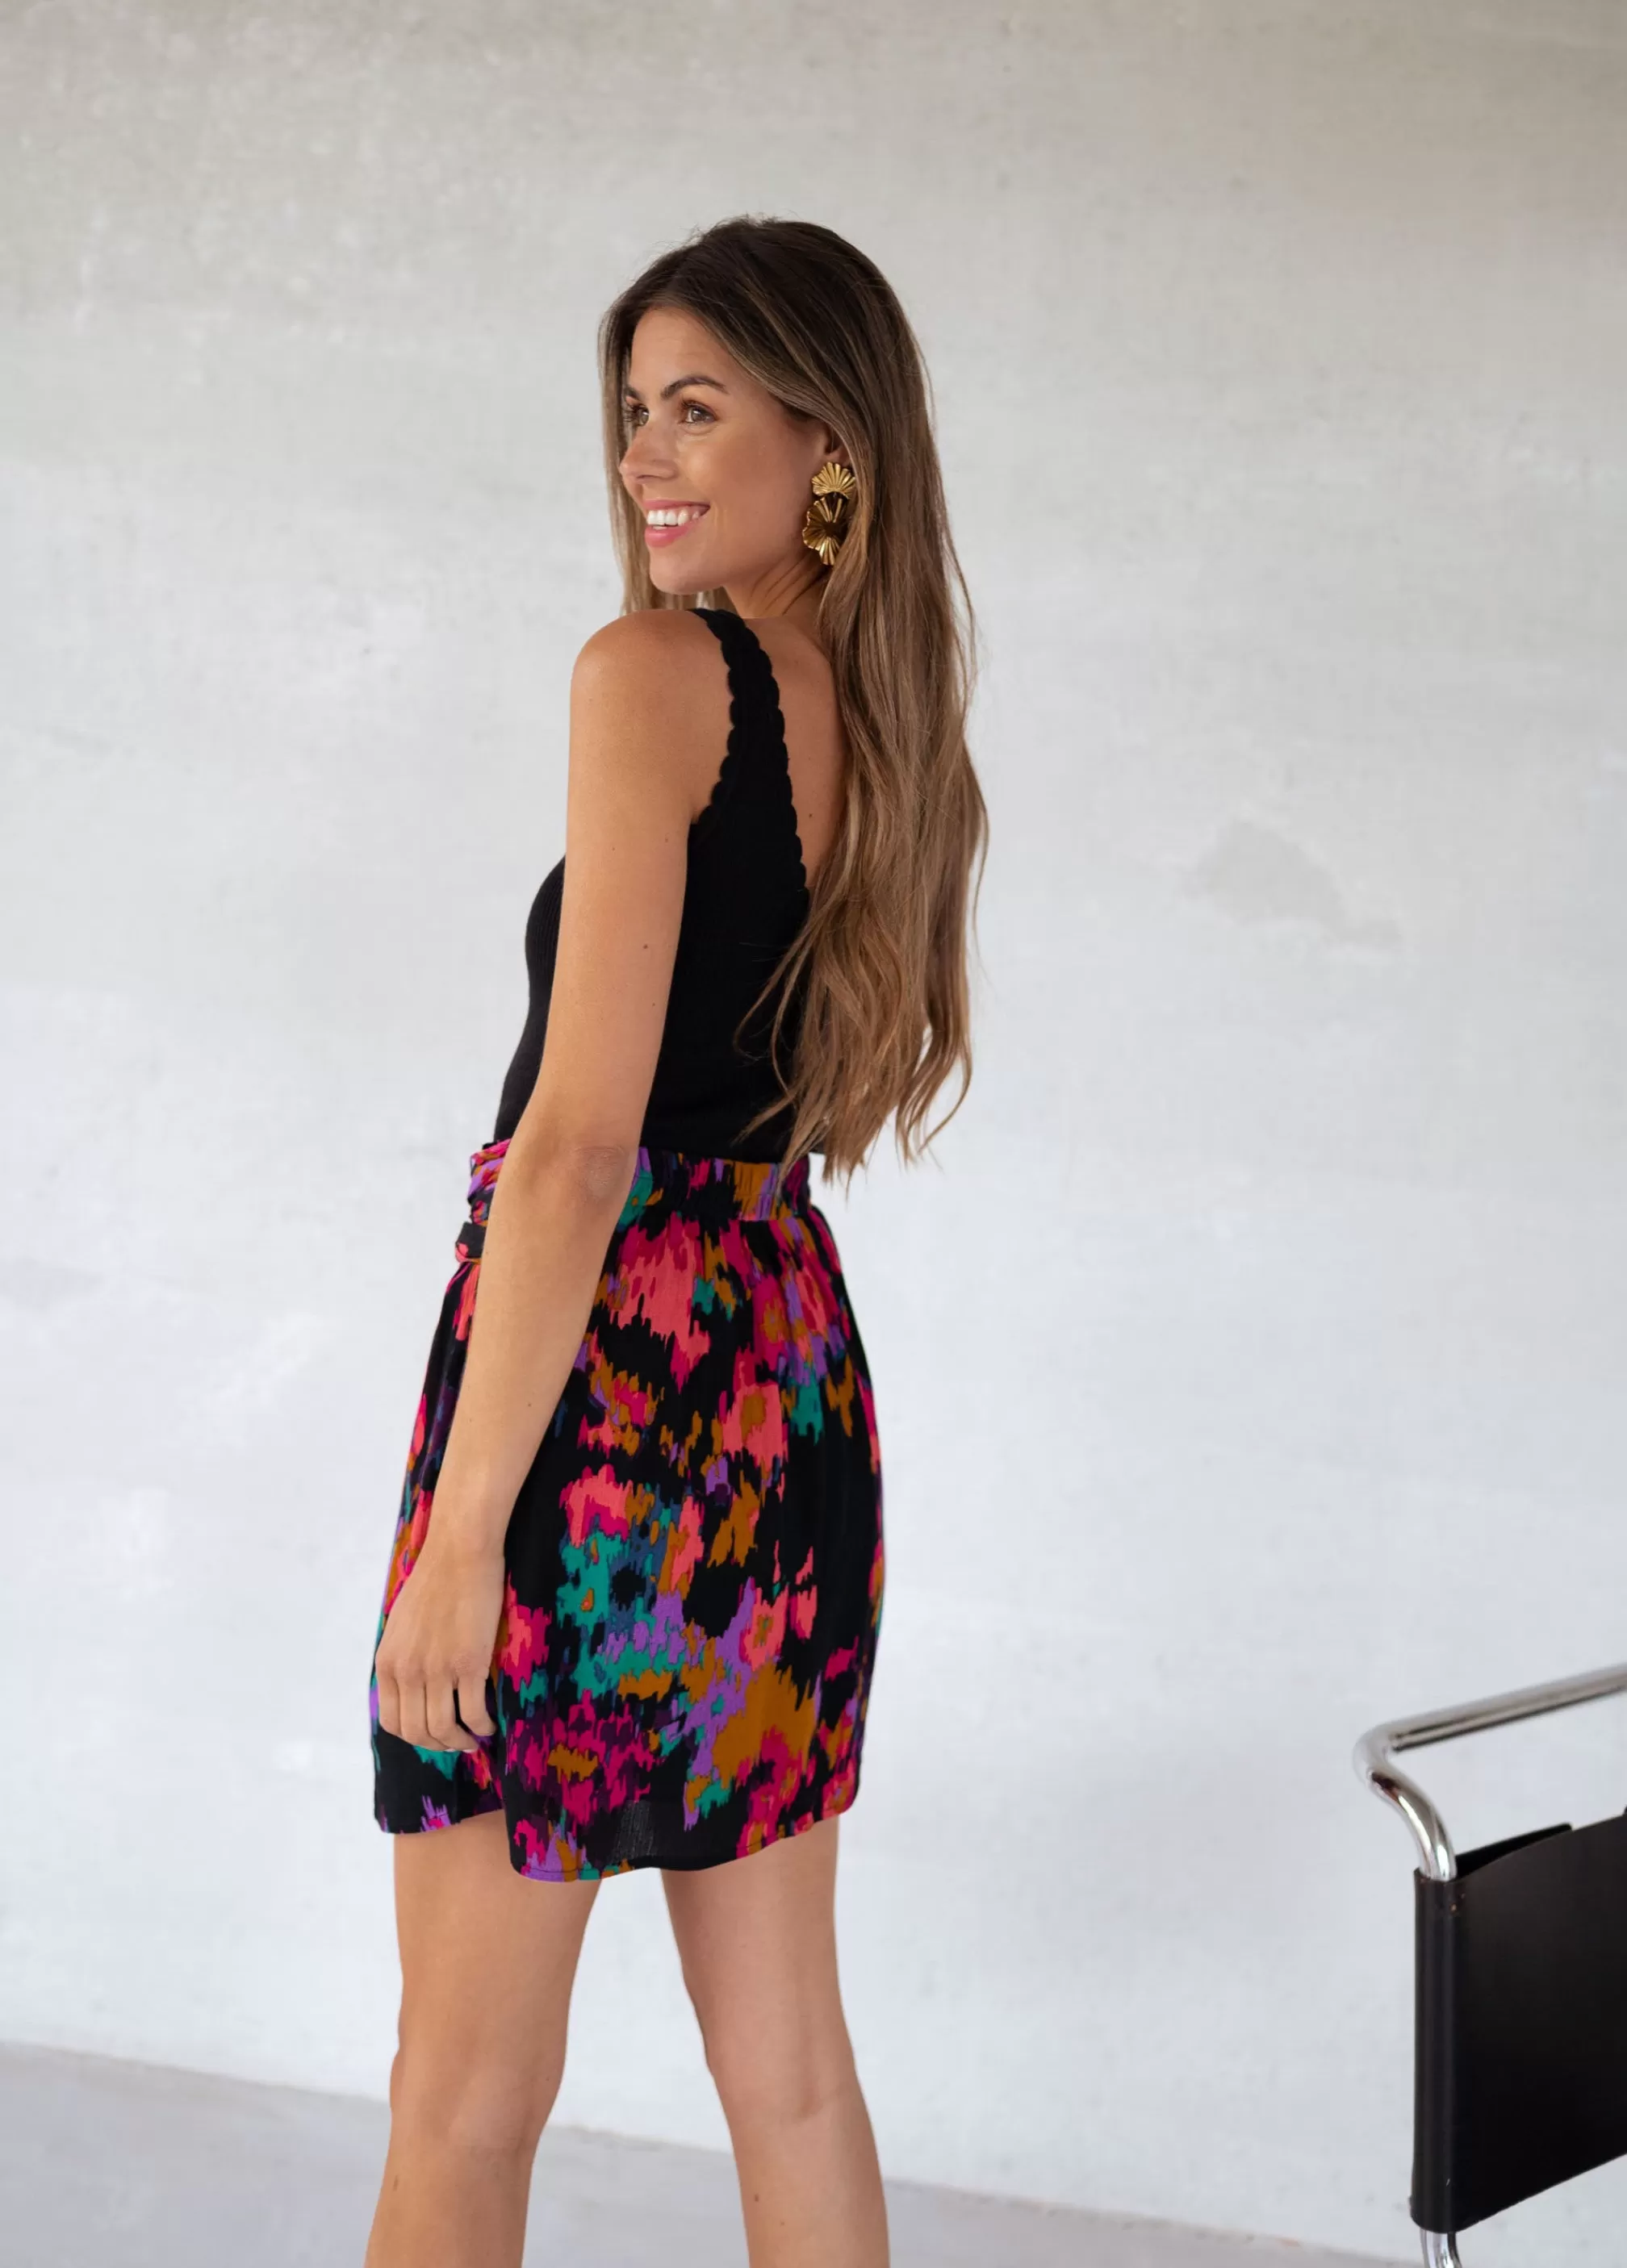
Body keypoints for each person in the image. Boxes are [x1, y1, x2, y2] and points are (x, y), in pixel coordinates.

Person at [363, 214, 987, 2268]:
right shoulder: (885, 718)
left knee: (459, 2099)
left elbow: (578, 1149)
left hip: (599, 1410)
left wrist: (467, 1538)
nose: (644, 454)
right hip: (781, 1389)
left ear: (831, 445)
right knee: (789, 2071)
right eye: (634, 408)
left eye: (698, 408)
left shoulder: (655, 677)